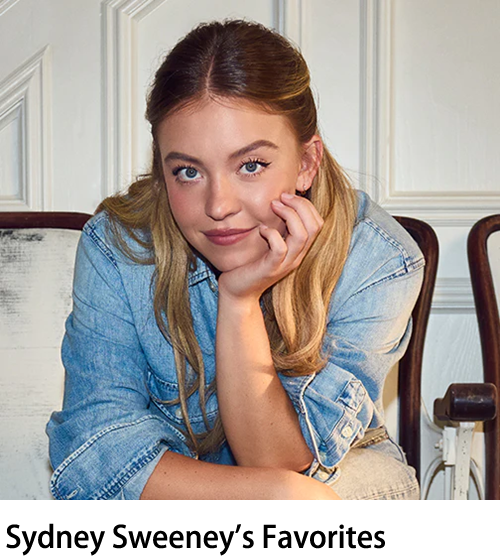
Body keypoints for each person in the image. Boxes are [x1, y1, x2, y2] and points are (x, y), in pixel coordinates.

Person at [47, 19, 424, 500]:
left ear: (306, 163)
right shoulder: (120, 247)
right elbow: (96, 451)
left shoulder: (376, 259)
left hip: (335, 479)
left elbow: (278, 463)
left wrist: (239, 300)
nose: (219, 206)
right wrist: (273, 497)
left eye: (250, 165)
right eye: (188, 171)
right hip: (199, 490)